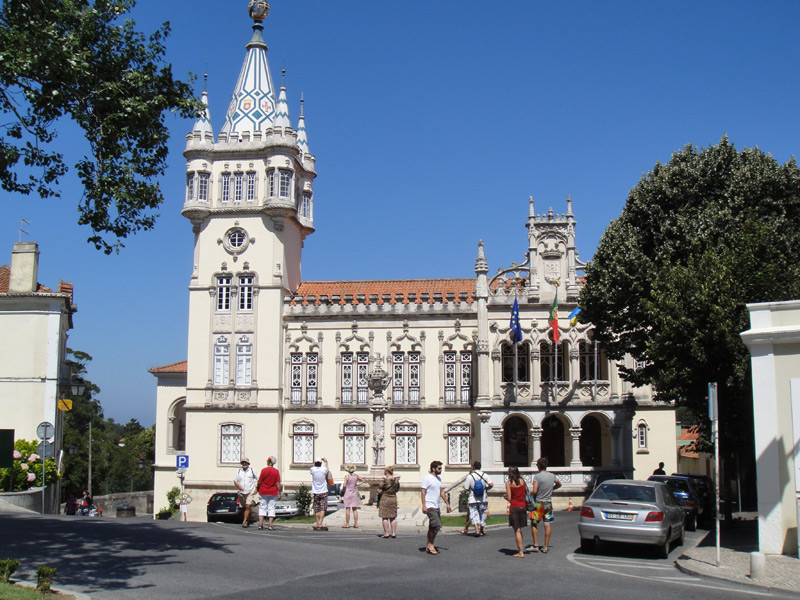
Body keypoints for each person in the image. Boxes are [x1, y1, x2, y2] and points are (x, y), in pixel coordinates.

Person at [526, 457, 561, 553]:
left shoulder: (537, 477)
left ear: (539, 466)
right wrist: (551, 489)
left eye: (537, 465)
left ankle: (536, 545)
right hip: (548, 503)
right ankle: (545, 546)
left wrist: (531, 497)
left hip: (538, 503)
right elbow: (559, 484)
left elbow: (535, 490)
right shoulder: (552, 476)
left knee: (534, 523)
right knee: (547, 524)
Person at [420, 460, 451, 555]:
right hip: (430, 505)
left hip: (436, 505)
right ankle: (431, 545)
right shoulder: (427, 478)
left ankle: (429, 544)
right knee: (437, 525)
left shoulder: (438, 479)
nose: (441, 470)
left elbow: (441, 491)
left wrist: (447, 503)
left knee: (432, 527)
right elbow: (423, 491)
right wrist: (424, 505)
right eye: (439, 468)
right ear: (433, 469)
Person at [464, 460, 494, 536]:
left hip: (473, 498)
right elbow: (491, 484)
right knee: (482, 513)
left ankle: (476, 530)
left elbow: (466, 488)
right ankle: (482, 529)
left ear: (473, 467)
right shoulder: (485, 475)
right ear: (480, 467)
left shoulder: (470, 476)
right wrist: (486, 489)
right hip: (483, 498)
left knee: (474, 514)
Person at [504, 466, 528, 558]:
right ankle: (521, 548)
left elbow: (509, 498)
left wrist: (505, 496)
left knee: (517, 530)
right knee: (520, 529)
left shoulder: (509, 483)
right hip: (522, 506)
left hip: (514, 506)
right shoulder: (522, 481)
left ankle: (520, 552)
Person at [256, 456, 282, 531]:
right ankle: (270, 524)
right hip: (273, 492)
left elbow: (260, 481)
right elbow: (278, 483)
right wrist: (279, 492)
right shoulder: (276, 471)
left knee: (262, 507)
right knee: (271, 508)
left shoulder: (264, 470)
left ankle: (260, 524)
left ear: (269, 462)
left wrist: (257, 488)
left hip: (263, 491)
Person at [233, 457, 258, 528]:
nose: (244, 463)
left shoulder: (252, 471)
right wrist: (239, 486)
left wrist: (256, 488)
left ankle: (244, 521)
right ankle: (247, 518)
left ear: (248, 463)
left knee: (248, 506)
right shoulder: (238, 471)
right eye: (243, 462)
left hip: (250, 491)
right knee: (243, 507)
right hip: (241, 492)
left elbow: (258, 479)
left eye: (245, 462)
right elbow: (235, 481)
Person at [378, 465, 400, 538]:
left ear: (386, 472)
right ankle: (393, 533)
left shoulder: (384, 480)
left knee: (385, 517)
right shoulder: (396, 480)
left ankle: (386, 533)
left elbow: (379, 490)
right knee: (393, 516)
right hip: (393, 498)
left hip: (385, 498)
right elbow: (397, 489)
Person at [310, 457, 332, 531]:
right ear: (320, 463)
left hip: (316, 491)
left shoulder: (312, 469)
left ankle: (317, 523)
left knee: (317, 508)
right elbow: (327, 471)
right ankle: (320, 523)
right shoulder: (323, 469)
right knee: (323, 508)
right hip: (323, 490)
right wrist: (326, 462)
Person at [341, 463, 364, 528]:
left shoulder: (347, 476)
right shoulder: (356, 476)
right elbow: (363, 480)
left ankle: (347, 524)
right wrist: (357, 484)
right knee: (355, 509)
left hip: (348, 493)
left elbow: (344, 485)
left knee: (347, 509)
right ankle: (355, 524)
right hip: (354, 493)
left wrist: (343, 489)